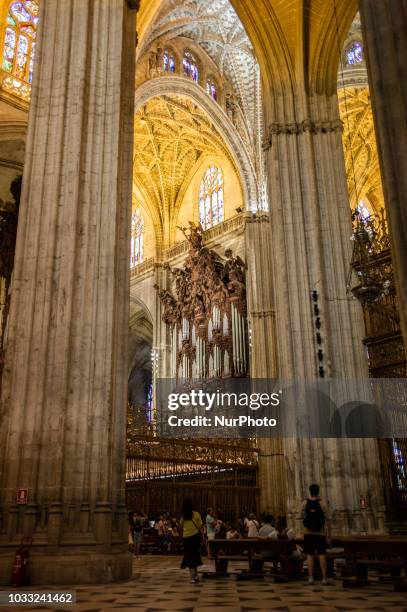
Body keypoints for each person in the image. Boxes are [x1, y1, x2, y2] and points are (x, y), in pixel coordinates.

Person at [302, 483, 332, 585]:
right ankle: (324, 578)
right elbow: (328, 519)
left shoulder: (305, 502)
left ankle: (310, 577)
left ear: (310, 491)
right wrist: (329, 535)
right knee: (322, 554)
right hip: (320, 533)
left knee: (309, 555)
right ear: (318, 492)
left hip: (308, 533)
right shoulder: (322, 503)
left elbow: (300, 517)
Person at [179, 498, 203, 583]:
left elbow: (180, 527)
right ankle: (195, 576)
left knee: (189, 557)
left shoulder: (183, 516)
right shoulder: (196, 514)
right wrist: (203, 538)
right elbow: (200, 527)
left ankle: (192, 577)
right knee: (195, 556)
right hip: (195, 538)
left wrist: (182, 537)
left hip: (187, 538)